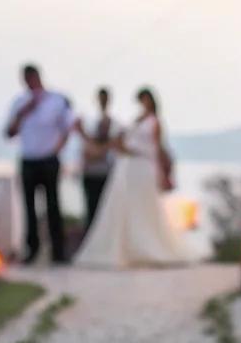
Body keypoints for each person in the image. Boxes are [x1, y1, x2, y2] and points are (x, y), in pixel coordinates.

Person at [73, 87, 187, 269]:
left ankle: (147, 246)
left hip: (143, 165)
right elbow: (119, 140)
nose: (143, 103)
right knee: (128, 207)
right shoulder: (136, 120)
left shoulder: (154, 121)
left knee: (145, 207)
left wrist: (164, 173)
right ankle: (130, 247)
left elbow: (158, 147)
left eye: (145, 99)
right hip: (129, 167)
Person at [4, 64, 74, 264]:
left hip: (49, 159)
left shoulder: (56, 100)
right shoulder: (19, 102)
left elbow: (67, 128)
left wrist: (57, 149)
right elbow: (9, 132)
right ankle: (32, 249)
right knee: (29, 207)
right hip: (28, 159)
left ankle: (58, 252)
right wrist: (22, 113)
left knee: (53, 205)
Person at [76, 86, 118, 229]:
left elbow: (105, 146)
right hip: (90, 171)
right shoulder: (90, 121)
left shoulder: (112, 122)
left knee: (104, 209)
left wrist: (96, 151)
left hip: (104, 171)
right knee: (91, 208)